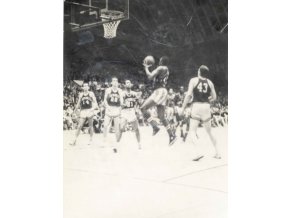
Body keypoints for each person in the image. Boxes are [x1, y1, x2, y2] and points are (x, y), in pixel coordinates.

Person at [180, 65, 221, 159]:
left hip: (196, 106)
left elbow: (189, 95)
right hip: (206, 106)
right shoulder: (210, 82)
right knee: (210, 132)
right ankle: (218, 153)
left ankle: (198, 152)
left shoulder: (193, 80)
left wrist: (183, 107)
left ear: (199, 71)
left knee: (192, 131)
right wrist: (206, 99)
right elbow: (214, 97)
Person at [141, 56, 177, 145]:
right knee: (162, 117)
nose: (158, 62)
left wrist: (146, 67)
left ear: (161, 61)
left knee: (143, 108)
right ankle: (172, 135)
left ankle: (155, 127)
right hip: (163, 91)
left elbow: (149, 76)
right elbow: (154, 77)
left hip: (160, 91)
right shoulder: (165, 69)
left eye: (159, 60)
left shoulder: (161, 67)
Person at [103, 77, 123, 153]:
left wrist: (120, 108)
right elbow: (105, 100)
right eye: (113, 81)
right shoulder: (108, 90)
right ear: (111, 82)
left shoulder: (120, 91)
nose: (115, 82)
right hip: (109, 108)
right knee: (105, 125)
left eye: (116, 81)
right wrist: (107, 107)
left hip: (116, 109)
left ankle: (116, 144)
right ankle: (104, 139)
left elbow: (121, 101)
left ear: (117, 83)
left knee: (117, 128)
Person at [119, 80, 141, 149]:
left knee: (136, 129)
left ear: (131, 85)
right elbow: (121, 104)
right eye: (126, 83)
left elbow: (138, 103)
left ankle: (139, 143)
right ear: (125, 85)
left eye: (129, 83)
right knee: (121, 128)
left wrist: (137, 109)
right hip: (125, 112)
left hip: (131, 111)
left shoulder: (134, 93)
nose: (128, 84)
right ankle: (117, 144)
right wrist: (124, 104)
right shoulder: (122, 93)